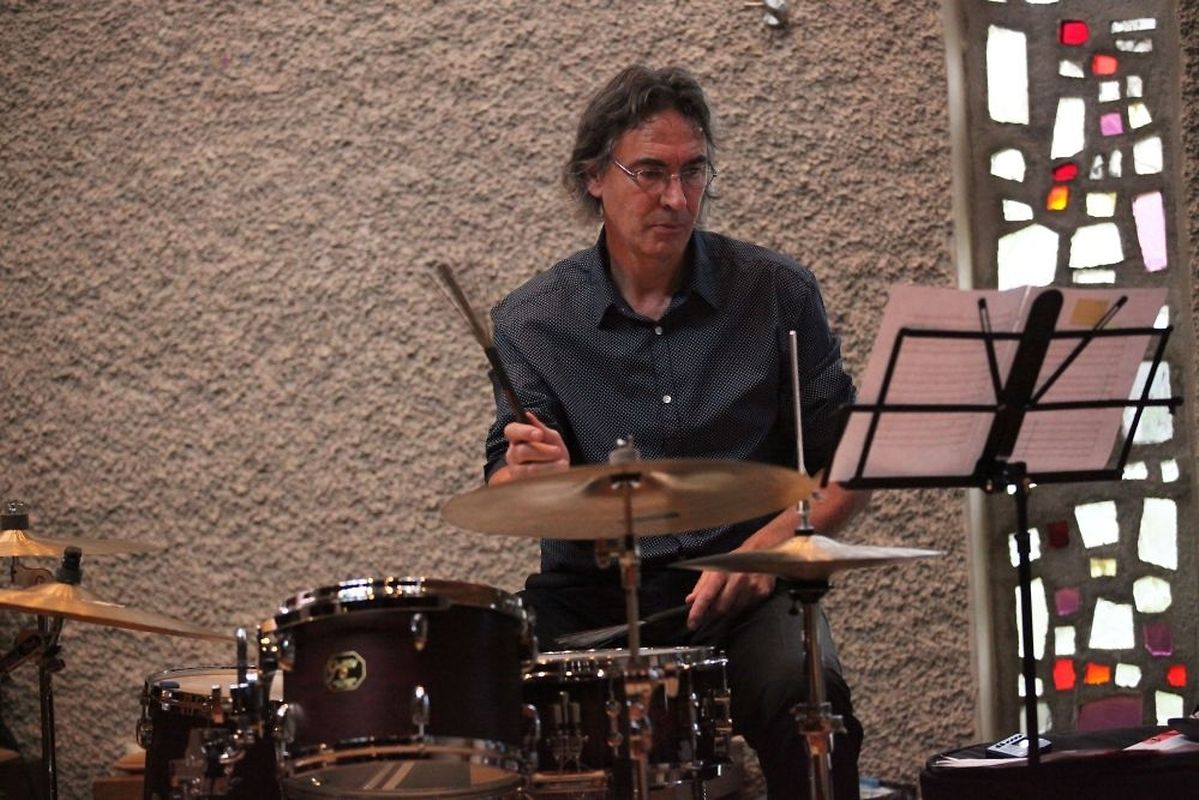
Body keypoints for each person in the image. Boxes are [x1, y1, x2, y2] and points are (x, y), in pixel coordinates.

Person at [483, 64, 868, 800]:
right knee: (498, 716)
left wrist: (774, 547)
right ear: (594, 177)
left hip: (745, 587)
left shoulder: (777, 292)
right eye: (651, 172)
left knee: (809, 700)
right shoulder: (532, 320)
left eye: (693, 172)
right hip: (593, 597)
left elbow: (852, 459)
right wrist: (530, 477)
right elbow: (504, 474)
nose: (676, 198)